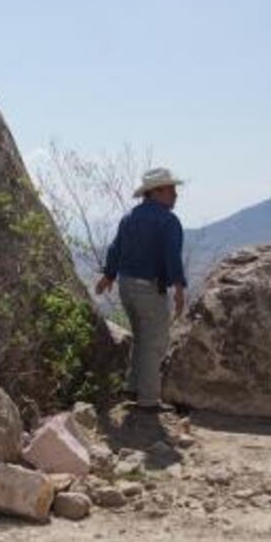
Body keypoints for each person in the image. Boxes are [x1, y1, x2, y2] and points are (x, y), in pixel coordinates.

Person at [95, 168, 187, 412]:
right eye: (170, 189)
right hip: (149, 288)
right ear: (155, 192)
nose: (175, 194)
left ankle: (134, 388)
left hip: (126, 286)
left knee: (142, 338)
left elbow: (115, 249)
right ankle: (148, 400)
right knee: (154, 342)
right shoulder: (168, 221)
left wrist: (108, 276)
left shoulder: (129, 217)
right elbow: (172, 258)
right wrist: (179, 289)